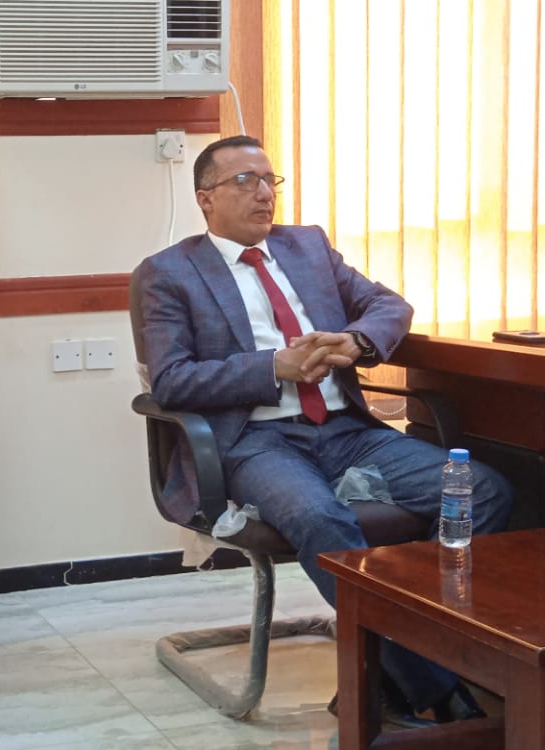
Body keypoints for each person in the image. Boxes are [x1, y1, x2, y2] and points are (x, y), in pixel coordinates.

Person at [134, 135, 513, 725]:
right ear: (205, 198)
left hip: (347, 431)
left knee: (482, 490)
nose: (264, 193)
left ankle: (417, 657)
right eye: (245, 181)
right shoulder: (168, 273)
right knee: (319, 518)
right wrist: (272, 367)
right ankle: (433, 683)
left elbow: (389, 305)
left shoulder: (306, 246)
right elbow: (172, 381)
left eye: (270, 180)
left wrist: (357, 341)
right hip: (259, 441)